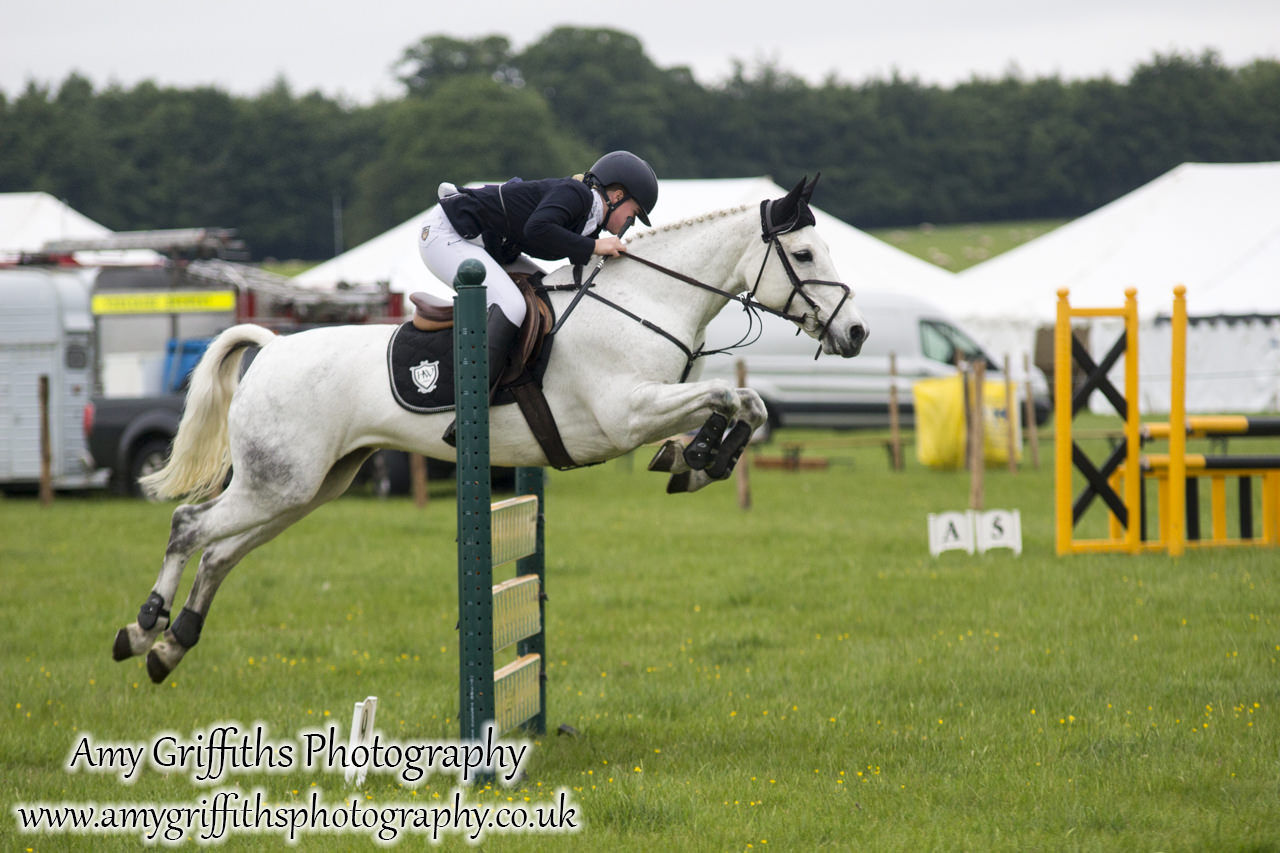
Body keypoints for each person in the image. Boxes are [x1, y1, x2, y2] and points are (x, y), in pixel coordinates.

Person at [417, 150, 659, 388]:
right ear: (617, 197)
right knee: (511, 305)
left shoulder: (590, 222)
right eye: (634, 214)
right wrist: (595, 246)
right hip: (448, 233)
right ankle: (470, 394)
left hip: (487, 245)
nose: (632, 222)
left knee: (550, 300)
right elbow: (538, 228)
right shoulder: (578, 195)